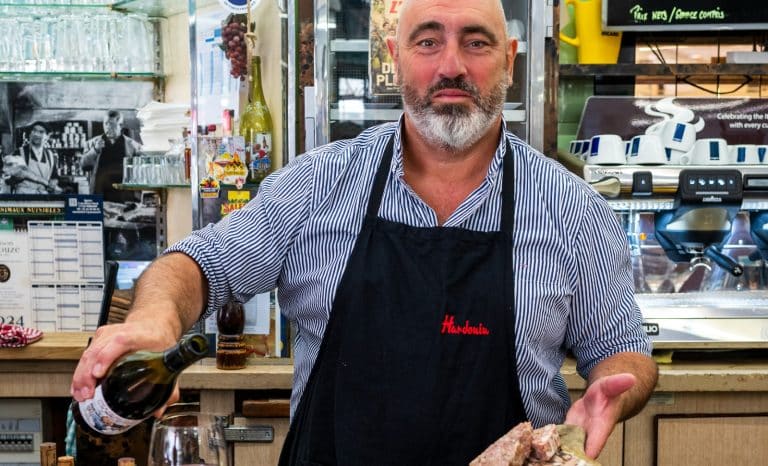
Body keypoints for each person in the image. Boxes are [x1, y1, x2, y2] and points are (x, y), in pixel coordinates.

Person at [71, 0, 658, 464]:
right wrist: (154, 321)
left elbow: (623, 353)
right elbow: (197, 265)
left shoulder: (574, 209)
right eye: (427, 41)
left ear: (509, 59)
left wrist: (612, 392)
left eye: (475, 42)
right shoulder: (318, 185)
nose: (450, 64)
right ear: (395, 57)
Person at [81, 109, 142, 203]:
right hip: (99, 196)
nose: (108, 127)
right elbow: (84, 166)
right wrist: (95, 150)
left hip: (124, 198)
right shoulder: (92, 144)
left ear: (120, 125)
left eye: (112, 124)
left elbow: (139, 174)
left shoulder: (133, 146)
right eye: (106, 124)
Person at [1, 121, 62, 194]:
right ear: (30, 134)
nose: (36, 134)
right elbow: (8, 180)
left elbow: (54, 176)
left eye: (41, 132)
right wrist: (16, 177)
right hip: (23, 198)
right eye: (34, 131)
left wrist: (54, 182)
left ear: (47, 137)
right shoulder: (19, 153)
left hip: (43, 197)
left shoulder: (50, 155)